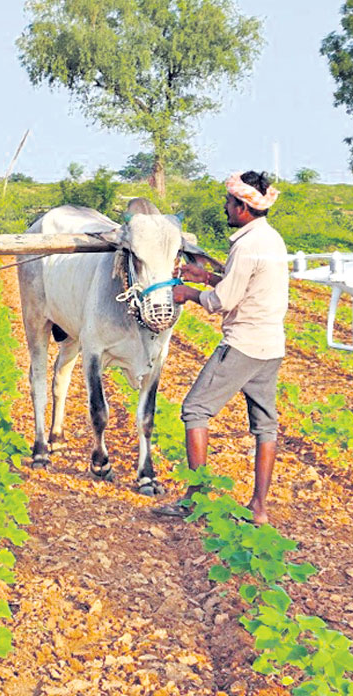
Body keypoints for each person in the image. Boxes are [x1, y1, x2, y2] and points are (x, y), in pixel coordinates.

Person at [153, 171, 288, 525]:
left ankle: (195, 500)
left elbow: (222, 301)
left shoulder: (245, 245)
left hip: (243, 345)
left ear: (244, 207)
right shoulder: (271, 240)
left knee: (195, 409)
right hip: (271, 346)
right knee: (265, 427)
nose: (225, 207)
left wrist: (189, 293)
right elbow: (245, 285)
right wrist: (207, 276)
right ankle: (258, 508)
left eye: (229, 202)